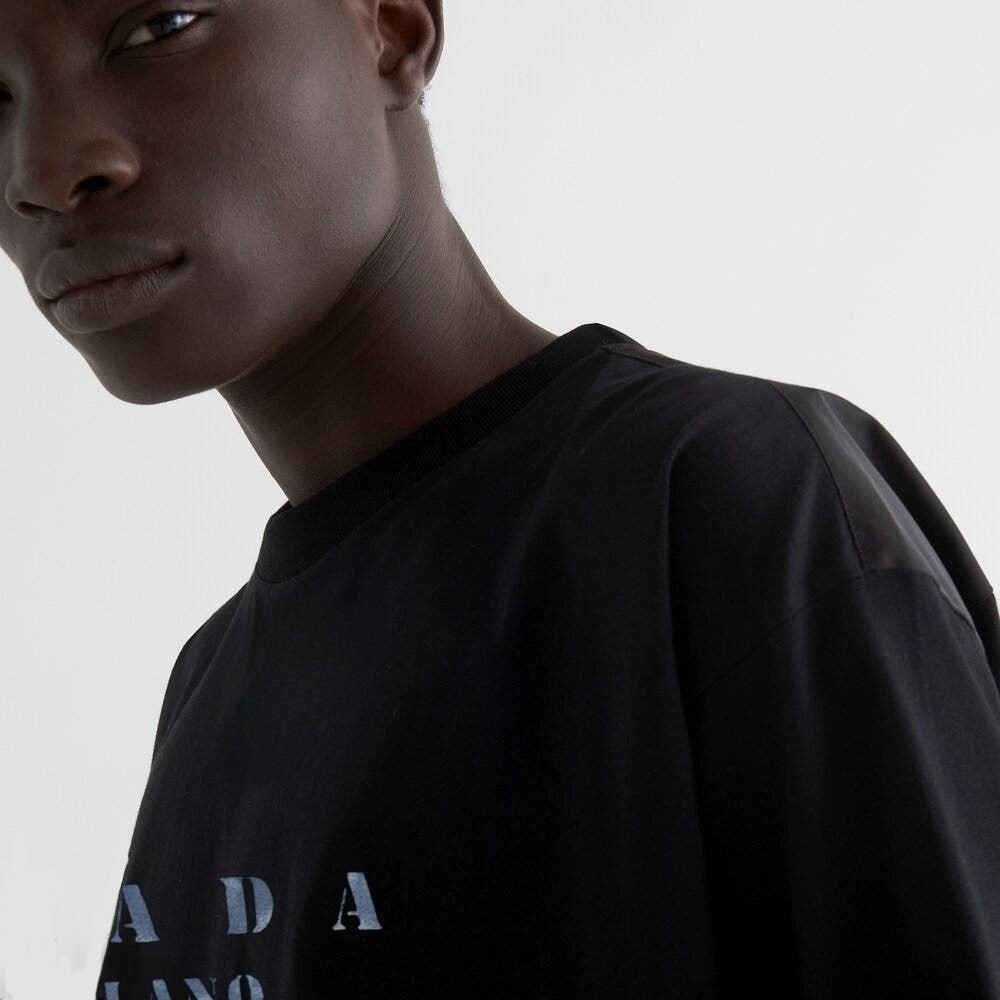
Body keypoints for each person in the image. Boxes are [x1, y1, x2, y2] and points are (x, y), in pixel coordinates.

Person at [1, 2, 997, 997]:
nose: (42, 170)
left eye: (159, 26)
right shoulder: (209, 695)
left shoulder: (727, 507)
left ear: (392, 30)